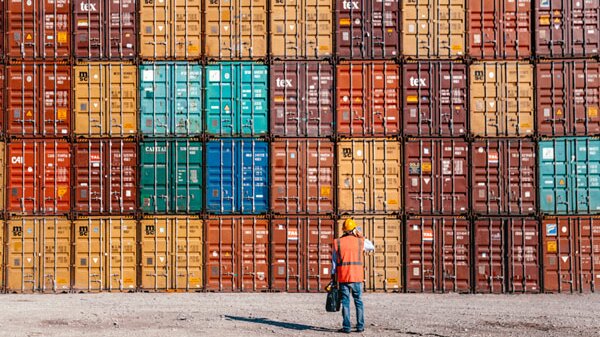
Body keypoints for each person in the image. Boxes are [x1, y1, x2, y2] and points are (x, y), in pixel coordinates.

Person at [331, 218, 375, 333]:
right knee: (358, 301)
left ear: (344, 230)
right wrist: (361, 235)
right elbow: (371, 246)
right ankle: (360, 326)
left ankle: (346, 327)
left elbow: (334, 262)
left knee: (345, 302)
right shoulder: (360, 241)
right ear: (354, 229)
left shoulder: (337, 242)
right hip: (357, 277)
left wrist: (333, 277)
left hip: (343, 277)